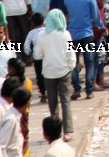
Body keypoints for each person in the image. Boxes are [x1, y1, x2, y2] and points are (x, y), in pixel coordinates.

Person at [33, 10, 75, 140]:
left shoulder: (41, 35)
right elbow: (70, 54)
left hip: (48, 72)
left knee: (52, 103)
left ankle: (54, 132)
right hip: (64, 71)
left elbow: (37, 55)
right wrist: (70, 66)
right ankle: (67, 131)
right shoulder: (65, 34)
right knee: (65, 101)